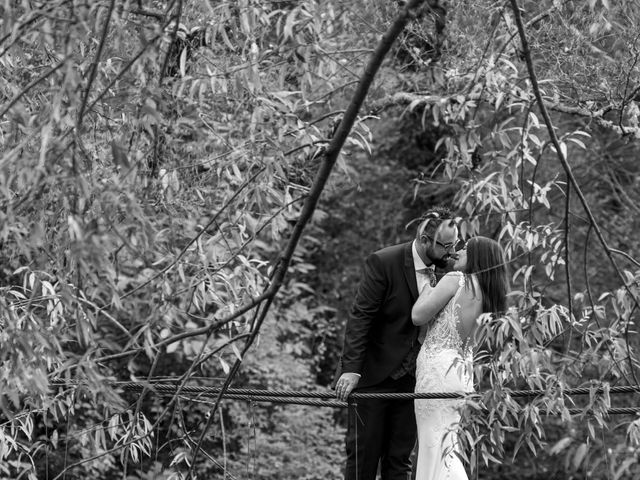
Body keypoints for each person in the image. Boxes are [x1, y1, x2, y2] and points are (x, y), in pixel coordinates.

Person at [334, 207, 460, 480]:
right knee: (363, 459)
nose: (451, 252)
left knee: (399, 461)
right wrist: (351, 368)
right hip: (374, 376)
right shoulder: (384, 261)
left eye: (455, 245)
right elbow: (361, 316)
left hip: (417, 380)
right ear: (425, 240)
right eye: (445, 245)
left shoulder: (450, 270)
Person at [412, 236, 508, 480]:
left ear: (477, 256)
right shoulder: (488, 295)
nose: (458, 252)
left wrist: (426, 287)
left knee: (435, 447)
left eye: (465, 249)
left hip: (438, 372)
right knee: (446, 447)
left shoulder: (457, 280)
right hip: (462, 373)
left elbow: (418, 316)